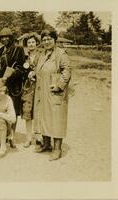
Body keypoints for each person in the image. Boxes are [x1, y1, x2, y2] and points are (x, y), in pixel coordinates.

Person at [33, 30, 71, 161]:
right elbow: (39, 69)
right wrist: (34, 74)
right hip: (42, 91)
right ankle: (46, 144)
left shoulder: (61, 54)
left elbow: (66, 70)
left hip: (55, 91)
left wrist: (59, 85)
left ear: (55, 40)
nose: (46, 42)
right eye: (44, 39)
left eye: (49, 39)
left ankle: (57, 149)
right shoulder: (42, 54)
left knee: (56, 118)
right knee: (43, 117)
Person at [0, 27, 28, 147]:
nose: (4, 39)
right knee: (1, 110)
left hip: (14, 86)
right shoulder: (0, 51)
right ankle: (2, 135)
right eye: (2, 37)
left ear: (11, 38)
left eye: (7, 37)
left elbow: (22, 68)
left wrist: (10, 74)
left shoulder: (18, 50)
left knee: (13, 111)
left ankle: (12, 135)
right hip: (2, 87)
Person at [20, 32, 42, 148]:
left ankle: (39, 137)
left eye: (33, 42)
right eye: (29, 42)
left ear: (37, 43)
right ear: (26, 45)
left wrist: (36, 73)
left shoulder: (42, 55)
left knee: (39, 112)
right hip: (28, 88)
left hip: (39, 87)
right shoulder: (24, 57)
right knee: (27, 112)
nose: (31, 44)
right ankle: (28, 138)